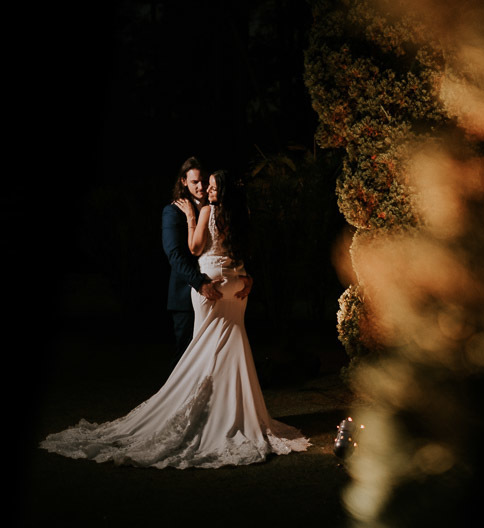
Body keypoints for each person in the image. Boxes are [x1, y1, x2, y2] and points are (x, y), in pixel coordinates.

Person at [39, 169, 310, 468]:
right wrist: (247, 277)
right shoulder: (241, 214)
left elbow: (194, 248)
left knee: (202, 352)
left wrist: (192, 220)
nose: (207, 190)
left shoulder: (208, 211)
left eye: (212, 187)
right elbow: (241, 253)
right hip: (237, 285)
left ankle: (208, 416)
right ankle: (233, 414)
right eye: (206, 186)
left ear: (222, 191)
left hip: (212, 285)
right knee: (232, 350)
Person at [162, 157, 222, 371]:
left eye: (204, 181)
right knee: (184, 356)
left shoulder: (215, 208)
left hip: (215, 292)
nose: (201, 186)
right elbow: (175, 255)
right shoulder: (172, 212)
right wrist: (199, 283)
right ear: (183, 182)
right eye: (195, 181)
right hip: (185, 296)